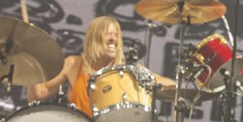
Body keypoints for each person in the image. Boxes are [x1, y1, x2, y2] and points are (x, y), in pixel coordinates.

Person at [27, 15, 176, 111]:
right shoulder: (73, 64)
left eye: (116, 35)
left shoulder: (128, 71)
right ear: (93, 38)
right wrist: (30, 62)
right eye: (108, 34)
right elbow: (38, 95)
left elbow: (171, 87)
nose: (113, 39)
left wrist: (172, 87)